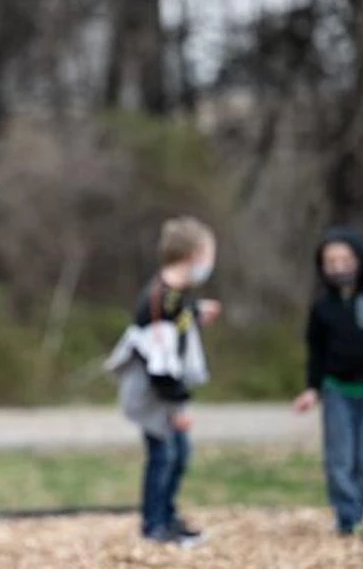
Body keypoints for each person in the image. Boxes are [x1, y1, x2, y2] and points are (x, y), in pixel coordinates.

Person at [105, 216, 220, 546]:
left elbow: (179, 318)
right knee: (164, 456)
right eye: (209, 255)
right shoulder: (159, 301)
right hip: (155, 395)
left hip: (164, 394)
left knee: (178, 454)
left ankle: (167, 515)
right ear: (194, 255)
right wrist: (177, 406)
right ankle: (154, 525)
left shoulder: (175, 295)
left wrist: (196, 312)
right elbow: (160, 365)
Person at [290, 226, 363, 537]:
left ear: (359, 261)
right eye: (331, 261)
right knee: (339, 459)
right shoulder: (321, 308)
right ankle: (348, 519)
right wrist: (312, 388)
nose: (339, 267)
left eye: (345, 259)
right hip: (336, 390)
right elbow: (315, 351)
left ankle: (356, 509)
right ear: (322, 266)